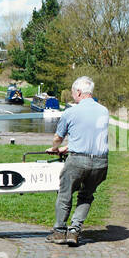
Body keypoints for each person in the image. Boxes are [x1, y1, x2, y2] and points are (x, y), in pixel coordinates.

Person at [46, 76, 109, 246]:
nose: (73, 96)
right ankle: (74, 231)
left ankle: (59, 232)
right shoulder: (104, 111)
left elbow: (58, 137)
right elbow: (90, 134)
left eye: (74, 93)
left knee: (65, 194)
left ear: (79, 92)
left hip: (78, 161)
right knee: (86, 195)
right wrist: (70, 146)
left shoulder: (71, 112)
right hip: (100, 162)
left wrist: (55, 148)